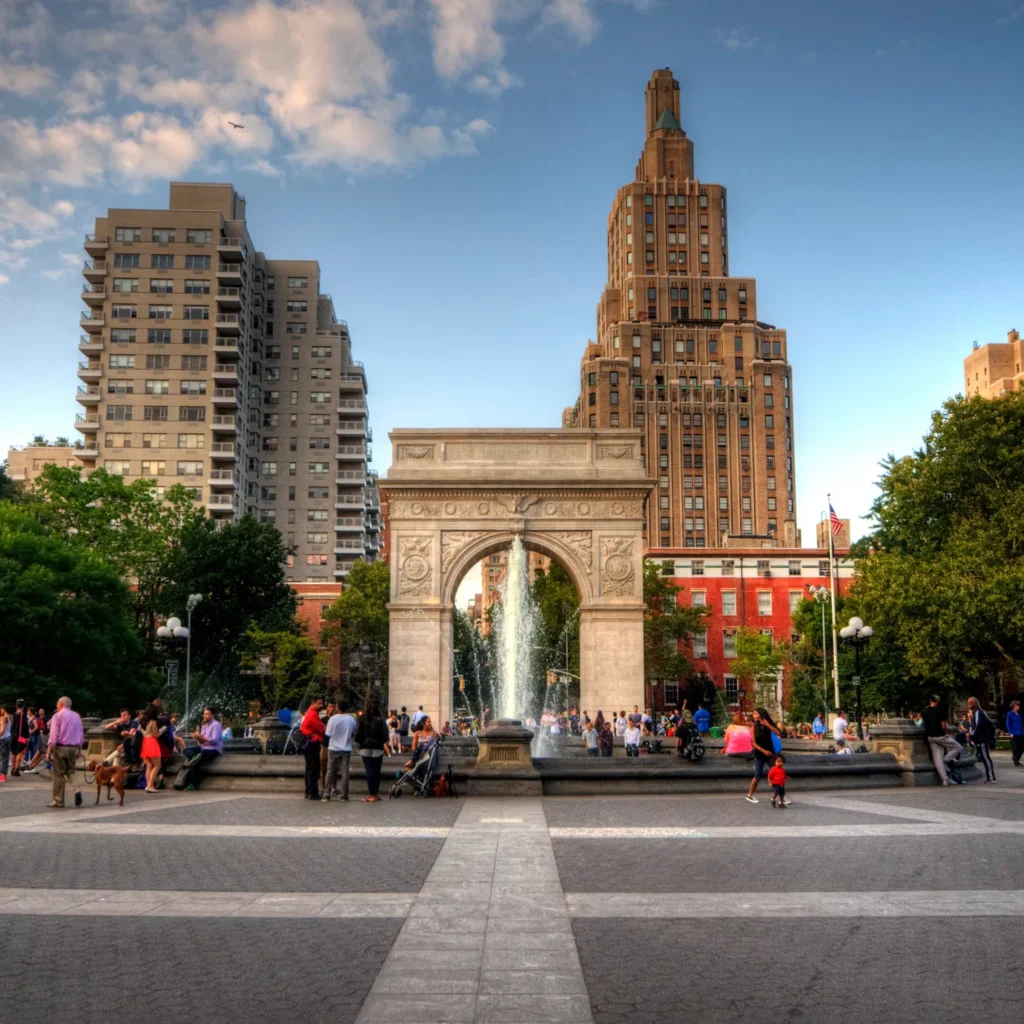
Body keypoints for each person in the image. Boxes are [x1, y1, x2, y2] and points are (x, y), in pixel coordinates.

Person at [46, 696, 84, 809]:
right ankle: (77, 789)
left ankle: (58, 800)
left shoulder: (57, 716)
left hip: (60, 748)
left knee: (58, 774)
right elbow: (80, 734)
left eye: (57, 704)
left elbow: (53, 736)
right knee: (71, 771)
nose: (56, 706)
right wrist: (80, 749)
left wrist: (48, 752)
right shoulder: (76, 716)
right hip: (73, 748)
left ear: (62, 704)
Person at [355, 696, 390, 802]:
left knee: (369, 771)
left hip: (365, 747)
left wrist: (362, 742)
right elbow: (385, 735)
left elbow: (357, 735)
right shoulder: (381, 719)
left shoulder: (363, 718)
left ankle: (371, 794)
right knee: (376, 771)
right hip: (378, 748)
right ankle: (375, 793)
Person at [921, 695, 962, 786]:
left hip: (929, 737)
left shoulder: (925, 711)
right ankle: (947, 759)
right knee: (958, 747)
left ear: (930, 700)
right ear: (938, 701)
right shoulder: (940, 710)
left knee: (937, 759)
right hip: (939, 735)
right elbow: (943, 726)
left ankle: (945, 780)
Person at [180, 706, 223, 790]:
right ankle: (194, 757)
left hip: (214, 750)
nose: (204, 716)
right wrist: (197, 738)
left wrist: (201, 738)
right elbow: (201, 742)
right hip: (204, 748)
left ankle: (193, 784)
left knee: (199, 758)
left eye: (207, 714)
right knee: (186, 750)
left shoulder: (216, 725)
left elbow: (215, 740)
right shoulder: (204, 725)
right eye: (204, 714)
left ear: (212, 715)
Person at [745, 707, 781, 804]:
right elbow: (753, 743)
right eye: (753, 714)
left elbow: (779, 733)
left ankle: (780, 796)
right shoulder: (754, 727)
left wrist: (768, 725)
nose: (753, 715)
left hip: (771, 753)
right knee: (758, 775)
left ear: (761, 714)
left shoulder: (768, 724)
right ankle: (750, 795)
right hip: (760, 753)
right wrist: (763, 751)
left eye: (755, 713)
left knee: (777, 773)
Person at [323, 702, 357, 802]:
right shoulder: (351, 719)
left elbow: (328, 734)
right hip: (346, 748)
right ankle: (344, 794)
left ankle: (327, 793)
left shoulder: (333, 719)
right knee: (345, 771)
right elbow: (353, 732)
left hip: (333, 747)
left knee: (330, 770)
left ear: (337, 707)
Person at [299, 697, 325, 800]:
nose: (321, 705)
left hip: (308, 743)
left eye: (321, 703)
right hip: (312, 743)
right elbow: (321, 729)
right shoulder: (313, 714)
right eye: (319, 703)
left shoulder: (309, 712)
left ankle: (308, 791)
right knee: (313, 768)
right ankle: (312, 792)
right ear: (313, 703)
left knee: (309, 767)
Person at [967, 697, 997, 784]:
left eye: (970, 703)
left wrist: (972, 735)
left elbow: (978, 726)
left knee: (985, 757)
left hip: (981, 739)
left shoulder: (978, 713)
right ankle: (990, 777)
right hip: (981, 738)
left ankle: (991, 777)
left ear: (975, 703)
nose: (969, 705)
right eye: (968, 703)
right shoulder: (978, 712)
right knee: (985, 757)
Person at [138, 705, 163, 793]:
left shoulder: (142, 722)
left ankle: (149, 785)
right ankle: (150, 786)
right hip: (152, 743)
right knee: (157, 766)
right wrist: (163, 730)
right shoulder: (153, 722)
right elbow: (156, 735)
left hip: (145, 743)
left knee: (149, 766)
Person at [9, 699, 31, 777]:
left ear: (16, 706)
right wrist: (27, 736)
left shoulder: (13, 715)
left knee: (13, 752)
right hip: (20, 736)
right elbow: (24, 726)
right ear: (23, 706)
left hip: (13, 735)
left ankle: (13, 767)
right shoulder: (23, 715)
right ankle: (16, 769)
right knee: (19, 752)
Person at [1006, 700, 1024, 768]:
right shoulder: (1009, 714)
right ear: (1013, 706)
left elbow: (1021, 724)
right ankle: (1016, 762)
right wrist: (1010, 732)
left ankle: (1015, 758)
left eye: (1018, 706)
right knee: (1015, 748)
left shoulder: (1019, 714)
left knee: (1022, 748)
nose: (1018, 707)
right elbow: (1008, 723)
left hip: (1020, 733)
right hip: (1013, 734)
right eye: (1017, 706)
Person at [0, 705, 10, 781]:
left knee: (3, 757)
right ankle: (3, 775)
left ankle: (2, 774)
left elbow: (3, 730)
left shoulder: (4, 718)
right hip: (7, 738)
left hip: (2, 739)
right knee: (5, 757)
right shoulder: (10, 717)